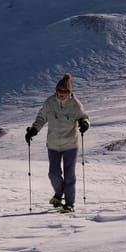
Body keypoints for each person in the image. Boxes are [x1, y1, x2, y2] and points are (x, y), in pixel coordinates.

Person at [25, 73, 90, 212]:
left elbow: (83, 117)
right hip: (53, 144)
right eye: (59, 91)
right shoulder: (50, 102)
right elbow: (41, 118)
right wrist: (34, 130)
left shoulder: (75, 104)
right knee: (53, 174)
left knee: (69, 176)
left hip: (70, 145)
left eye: (64, 91)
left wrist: (84, 124)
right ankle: (59, 194)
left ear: (69, 92)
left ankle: (70, 204)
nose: (61, 93)